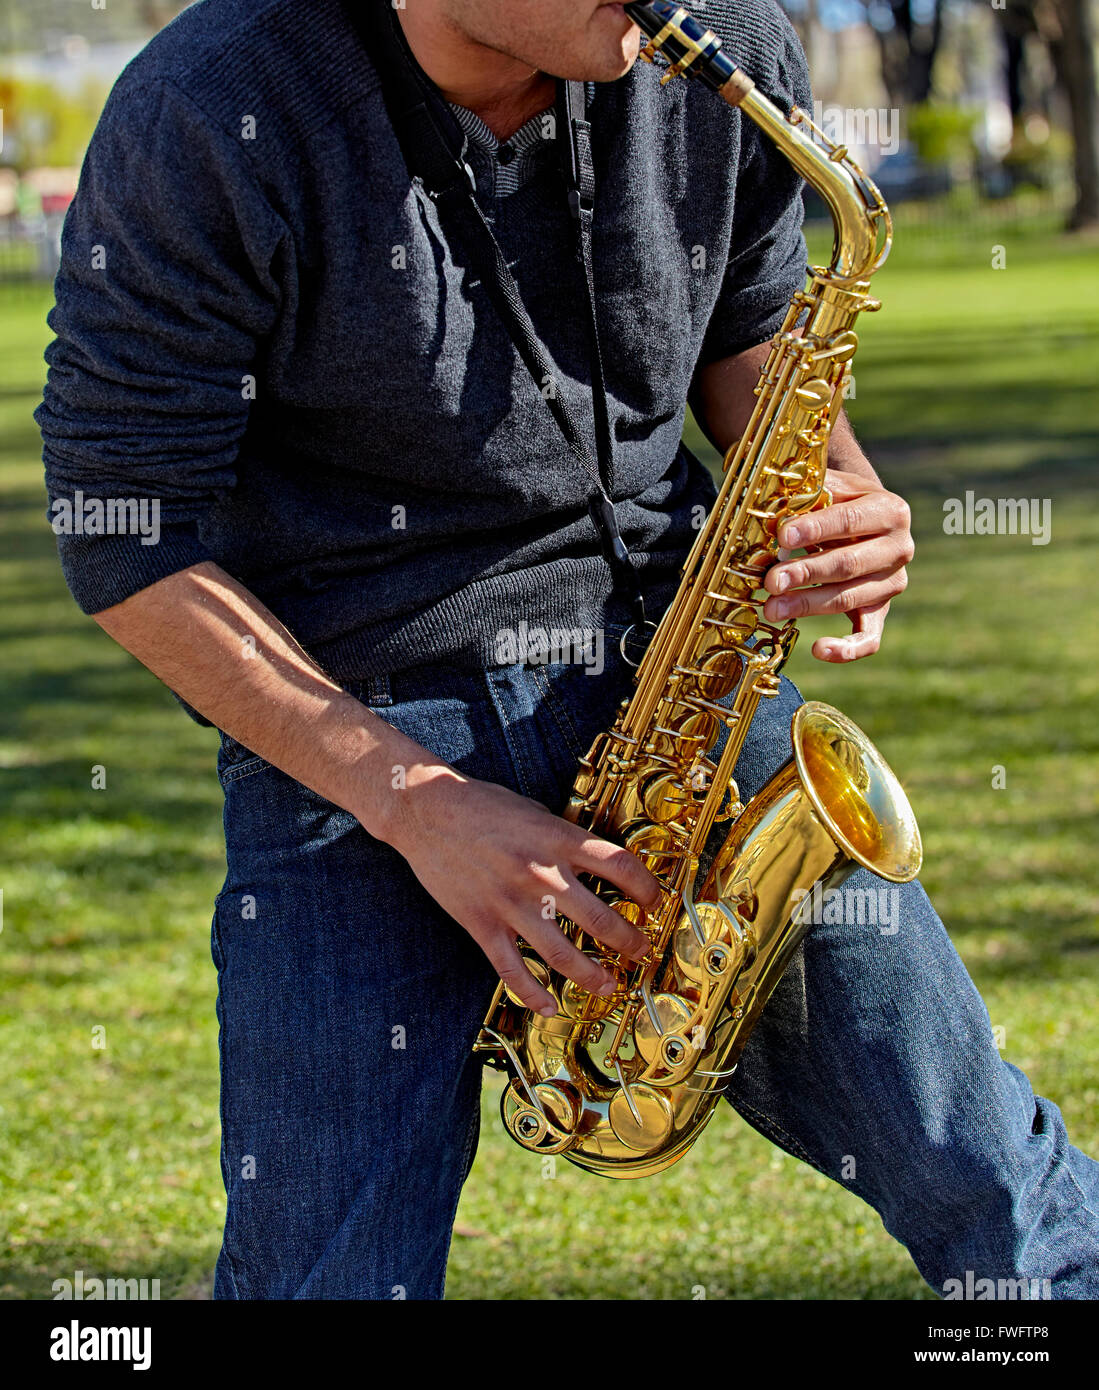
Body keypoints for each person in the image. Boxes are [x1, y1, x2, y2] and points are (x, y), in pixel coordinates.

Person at [37, 0, 1099, 1300]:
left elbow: (750, 333)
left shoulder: (719, 49)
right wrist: (413, 803)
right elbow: (124, 535)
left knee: (1003, 1188)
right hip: (354, 731)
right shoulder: (209, 106)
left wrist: (841, 499)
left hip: (677, 687)